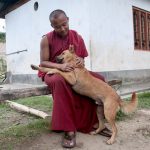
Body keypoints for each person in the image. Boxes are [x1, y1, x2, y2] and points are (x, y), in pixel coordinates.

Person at [38, 9, 111, 148]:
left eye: (64, 24)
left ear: (68, 19)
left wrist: (80, 62)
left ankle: (95, 123)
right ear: (52, 26)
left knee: (99, 78)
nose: (62, 28)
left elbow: (81, 59)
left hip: (74, 71)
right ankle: (68, 129)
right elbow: (43, 62)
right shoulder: (46, 39)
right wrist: (61, 67)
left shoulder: (77, 36)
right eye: (57, 26)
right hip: (53, 71)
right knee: (60, 81)